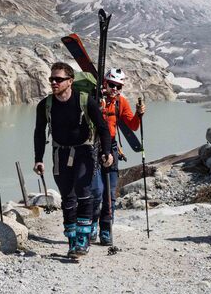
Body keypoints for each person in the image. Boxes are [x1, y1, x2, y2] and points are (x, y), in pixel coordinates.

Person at [34, 62, 112, 258]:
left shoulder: (85, 101)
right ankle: (72, 241)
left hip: (84, 152)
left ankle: (83, 240)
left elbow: (103, 127)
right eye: (52, 79)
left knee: (84, 194)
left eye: (58, 79)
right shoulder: (45, 105)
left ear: (70, 81)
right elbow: (39, 132)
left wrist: (107, 152)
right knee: (68, 198)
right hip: (60, 154)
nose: (54, 82)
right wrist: (38, 159)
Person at [91, 68, 146, 246]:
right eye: (112, 84)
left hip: (112, 147)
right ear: (105, 83)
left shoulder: (120, 102)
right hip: (93, 147)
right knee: (96, 191)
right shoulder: (94, 98)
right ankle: (92, 225)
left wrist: (139, 115)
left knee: (110, 192)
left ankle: (106, 229)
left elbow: (133, 126)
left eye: (118, 86)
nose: (115, 89)